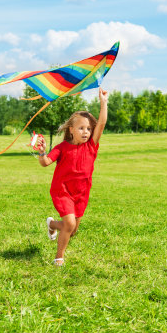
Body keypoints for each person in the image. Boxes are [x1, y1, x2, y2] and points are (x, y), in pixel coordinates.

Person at [37, 88, 108, 266]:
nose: (86, 132)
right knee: (69, 224)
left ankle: (53, 225)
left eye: (89, 129)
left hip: (81, 193)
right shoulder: (62, 148)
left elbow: (102, 124)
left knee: (73, 229)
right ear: (71, 130)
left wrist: (103, 103)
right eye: (81, 128)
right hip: (62, 192)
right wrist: (42, 152)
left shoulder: (91, 146)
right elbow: (46, 162)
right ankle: (59, 257)